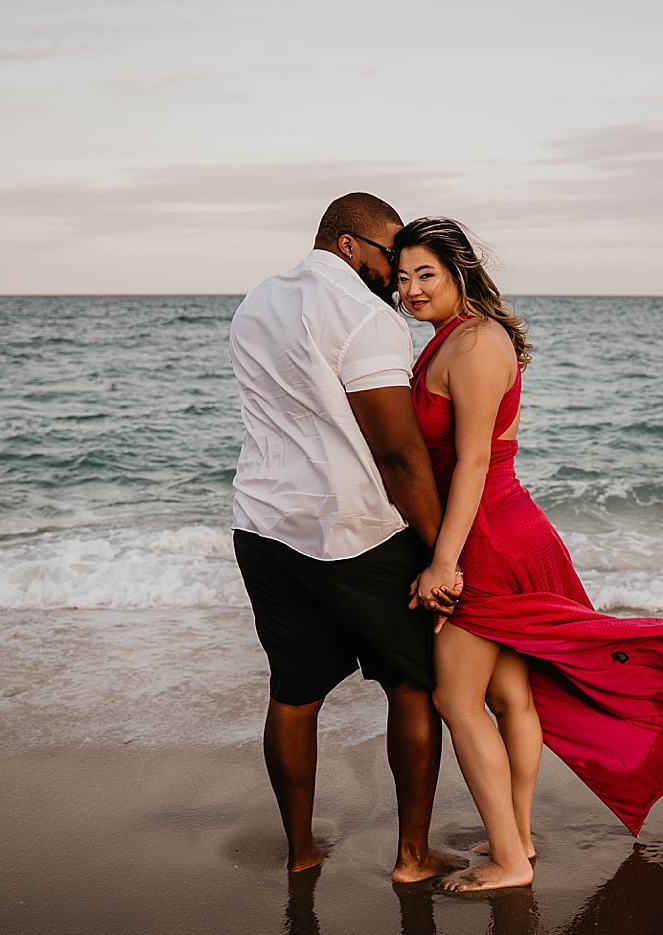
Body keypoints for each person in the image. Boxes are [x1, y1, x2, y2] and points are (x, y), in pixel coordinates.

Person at [397, 217, 663, 893]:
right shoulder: (456, 336)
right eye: (403, 277)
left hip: (490, 536)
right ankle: (518, 834)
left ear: (460, 272)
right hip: (506, 525)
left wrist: (445, 561)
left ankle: (508, 858)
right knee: (509, 694)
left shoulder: (472, 344)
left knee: (454, 696)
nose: (411, 289)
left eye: (426, 274)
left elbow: (472, 459)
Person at [229, 193, 465, 882]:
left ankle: (301, 851)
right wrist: (442, 551)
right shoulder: (365, 317)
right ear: (350, 245)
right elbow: (397, 454)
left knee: (294, 692)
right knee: (414, 684)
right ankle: (413, 858)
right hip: (356, 529)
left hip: (265, 526)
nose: (398, 276)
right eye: (392, 256)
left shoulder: (256, 303)